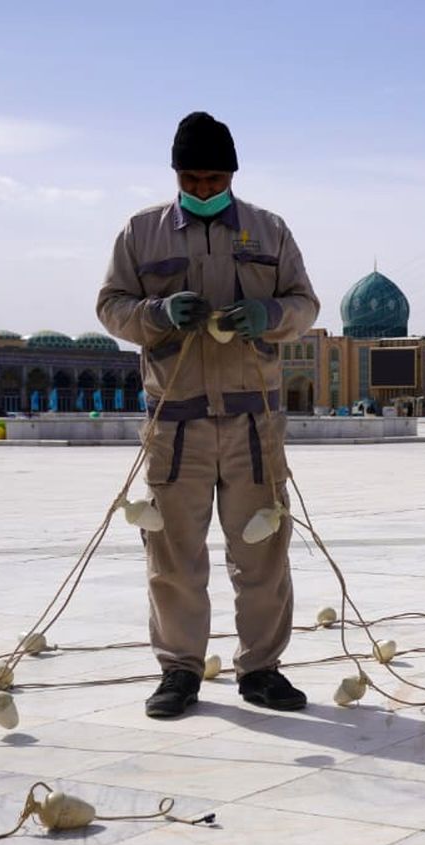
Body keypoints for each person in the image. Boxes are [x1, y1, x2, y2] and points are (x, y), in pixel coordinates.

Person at [97, 111, 321, 719]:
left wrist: (268, 317)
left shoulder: (268, 231)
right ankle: (179, 670)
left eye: (214, 179)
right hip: (177, 425)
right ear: (175, 175)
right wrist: (159, 311)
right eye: (191, 179)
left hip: (253, 425)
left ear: (232, 175)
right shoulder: (141, 234)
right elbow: (111, 307)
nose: (202, 189)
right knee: (173, 553)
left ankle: (262, 669)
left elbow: (304, 303)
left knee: (264, 550)